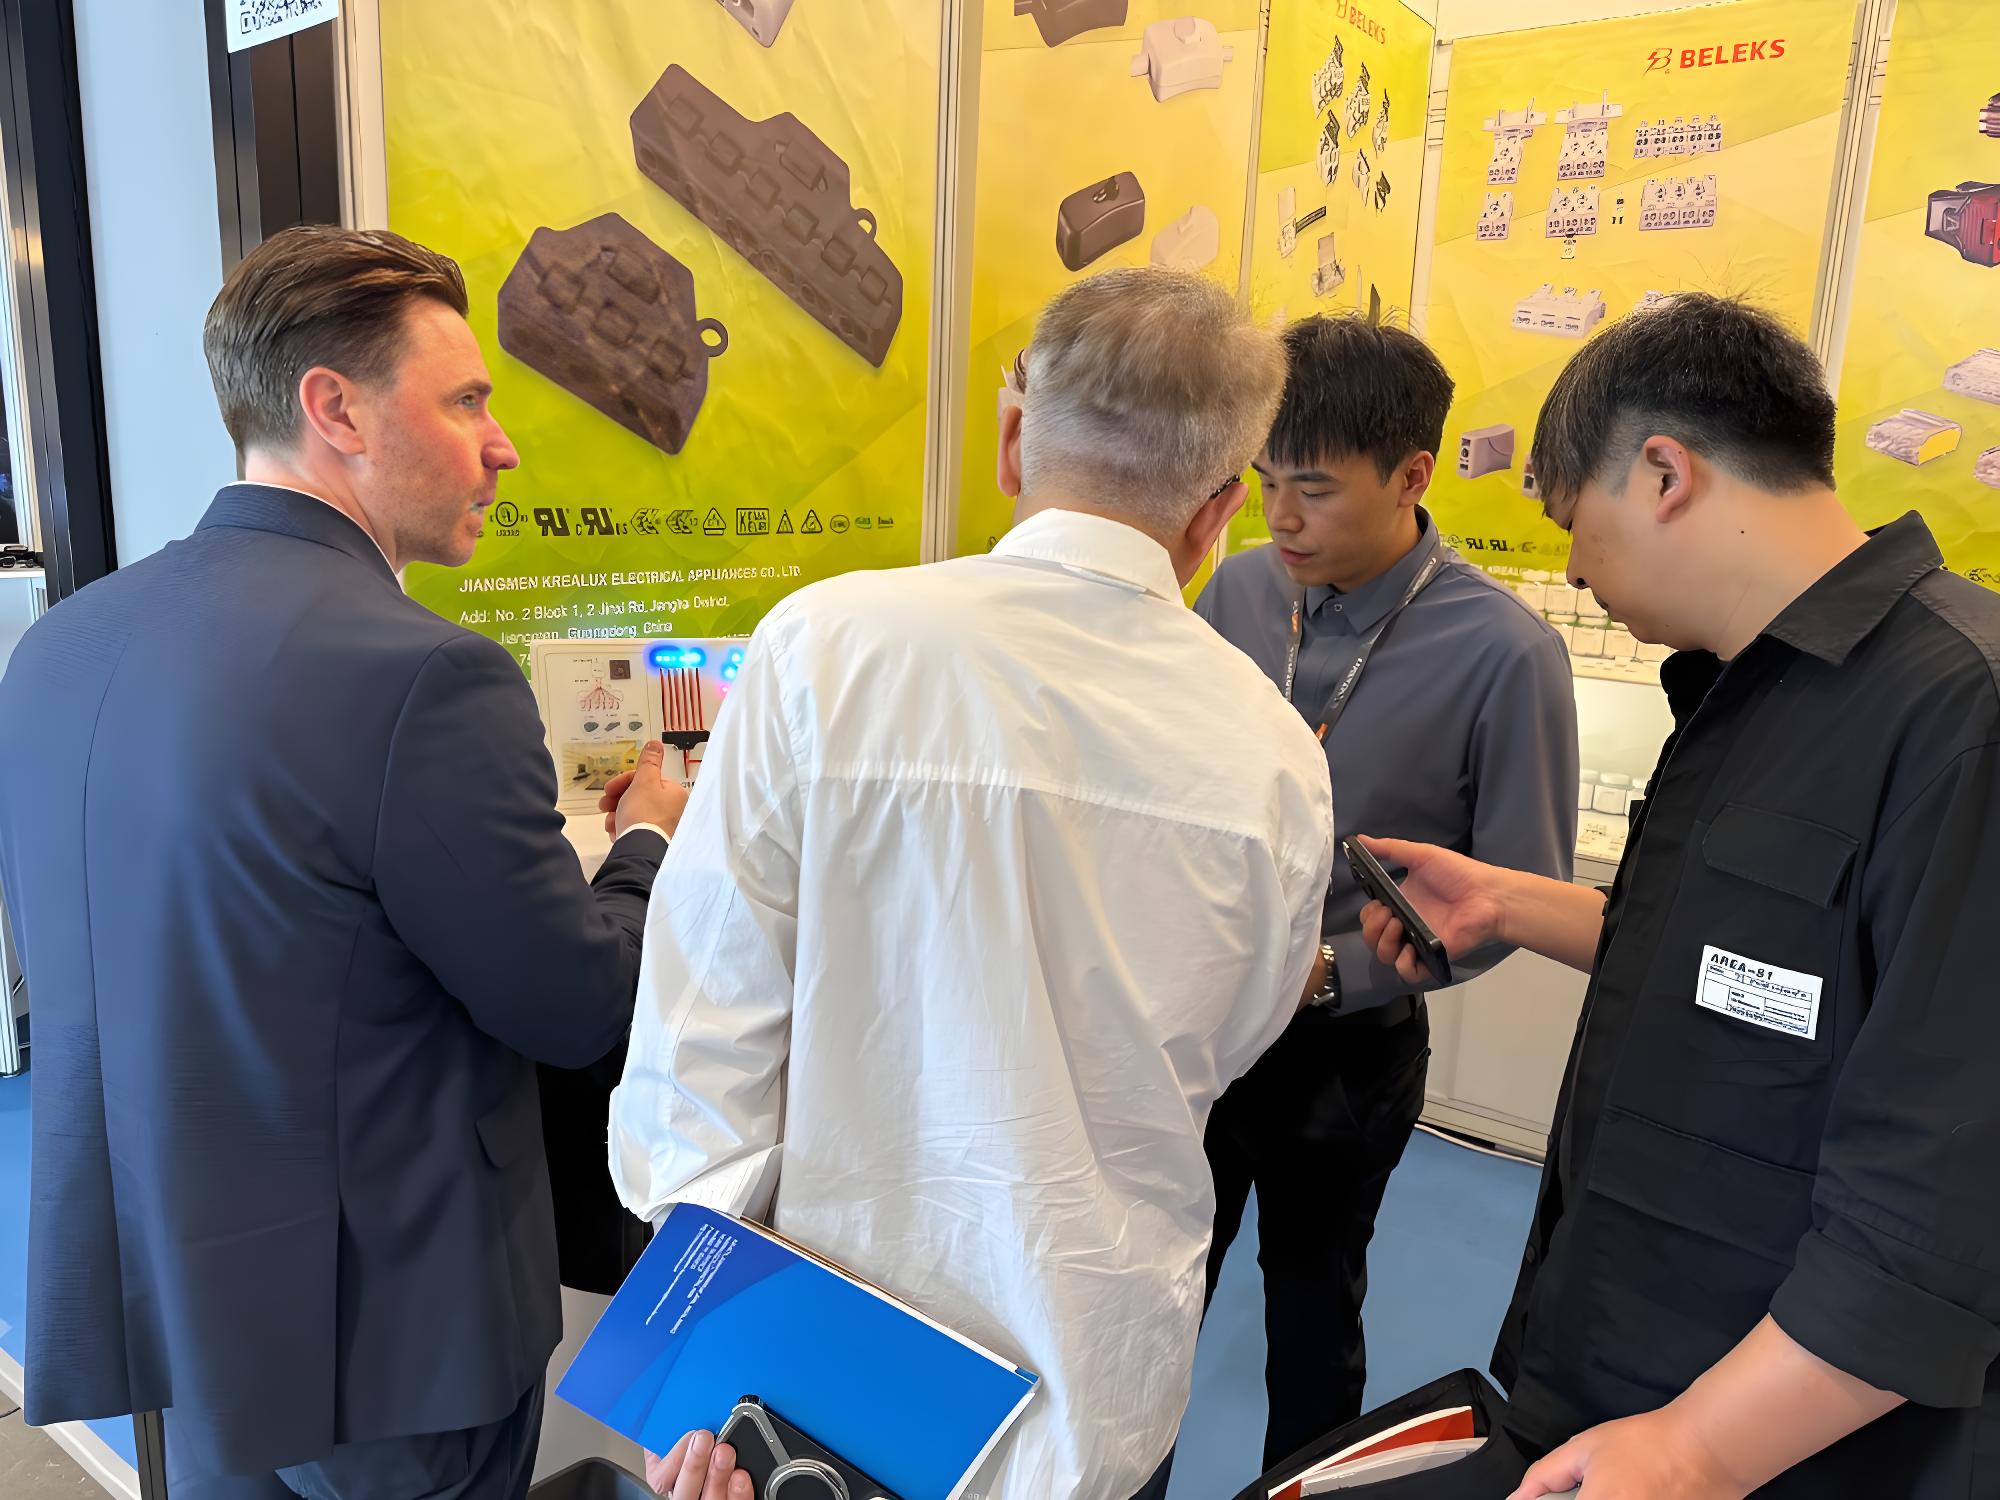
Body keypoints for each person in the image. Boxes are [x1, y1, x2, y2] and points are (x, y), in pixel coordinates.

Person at [606, 267, 1338, 1499]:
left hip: (811, 1382)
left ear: (1010, 438)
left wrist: (682, 1374)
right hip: (1091, 1378)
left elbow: (700, 1034)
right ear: (1219, 511)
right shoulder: (1271, 751)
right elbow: (1239, 1033)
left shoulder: (824, 648)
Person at [0, 226, 684, 1500]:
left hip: (176, 1308)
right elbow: (574, 1003)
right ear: (336, 410)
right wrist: (647, 839)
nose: (501, 445)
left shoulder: (60, 649)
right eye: (467, 400)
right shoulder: (423, 676)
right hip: (388, 1351)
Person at [1356, 293, 2000, 1499]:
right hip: (1621, 1362)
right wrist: (1506, 905)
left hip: (1788, 1439)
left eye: (1571, 523)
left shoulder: (1961, 713)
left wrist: (1703, 1445)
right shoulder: (1743, 691)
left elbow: (1942, 1194)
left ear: (1661, 474)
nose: (1569, 568)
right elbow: (1751, 963)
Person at [1145, 315, 1577, 1489]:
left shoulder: (1504, 654)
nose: (1278, 518)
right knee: (1148, 1304)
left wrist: (1331, 972)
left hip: (1343, 1055)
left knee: (1309, 1320)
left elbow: (1514, 899)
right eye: (1262, 483)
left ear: (1410, 476)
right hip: (1194, 1030)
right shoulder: (1235, 591)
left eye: (1314, 490)